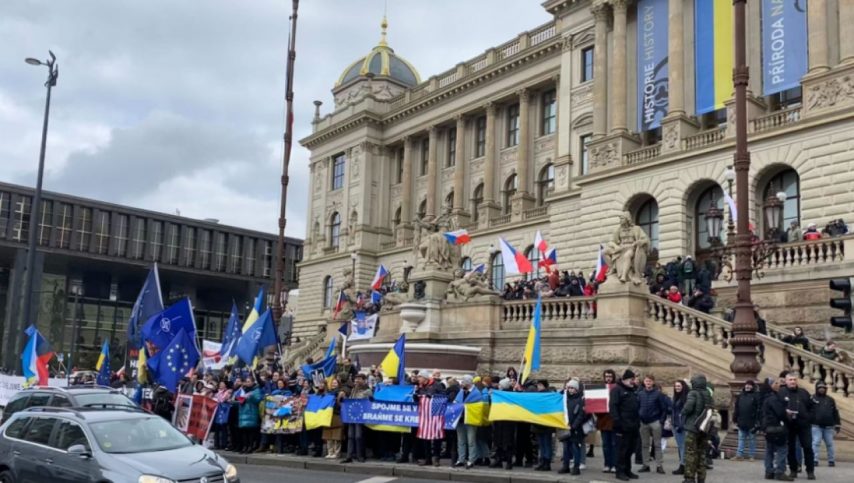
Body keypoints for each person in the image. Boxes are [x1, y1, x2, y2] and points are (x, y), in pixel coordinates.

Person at [778, 373, 816, 480]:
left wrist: (809, 417)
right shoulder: (781, 392)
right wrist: (785, 412)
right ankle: (793, 470)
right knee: (791, 448)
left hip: (804, 424)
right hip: (789, 424)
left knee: (808, 447)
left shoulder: (803, 392)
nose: (793, 382)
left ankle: (810, 471)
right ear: (786, 381)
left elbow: (812, 406)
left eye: (794, 379)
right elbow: (777, 407)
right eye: (790, 380)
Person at [609, 369, 640, 482]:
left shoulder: (633, 390)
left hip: (633, 426)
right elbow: (613, 408)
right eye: (632, 379)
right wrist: (618, 423)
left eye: (634, 379)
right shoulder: (617, 390)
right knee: (621, 450)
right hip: (622, 426)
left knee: (630, 450)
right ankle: (620, 472)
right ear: (625, 379)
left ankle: (627, 470)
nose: (633, 381)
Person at [681, 374, 713, 483]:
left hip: (692, 427)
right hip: (704, 428)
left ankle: (689, 478)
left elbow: (687, 408)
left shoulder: (693, 393)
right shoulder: (708, 394)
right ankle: (701, 478)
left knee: (690, 453)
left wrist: (683, 411)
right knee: (701, 454)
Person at [637, 374, 669, 474]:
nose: (648, 383)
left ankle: (659, 465)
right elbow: (637, 407)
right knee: (644, 445)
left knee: (657, 445)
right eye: (646, 381)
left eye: (650, 381)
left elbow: (664, 409)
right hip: (643, 422)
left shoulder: (658, 394)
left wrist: (661, 421)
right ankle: (646, 465)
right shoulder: (640, 394)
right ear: (644, 382)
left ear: (653, 382)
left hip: (655, 421)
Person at [763, 377, 791, 481]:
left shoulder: (767, 397)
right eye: (777, 383)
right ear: (772, 385)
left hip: (768, 426)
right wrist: (787, 413)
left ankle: (769, 471)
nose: (779, 385)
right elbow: (780, 413)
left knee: (769, 450)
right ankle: (779, 471)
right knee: (782, 449)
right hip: (776, 426)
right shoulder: (774, 398)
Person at [559, 379, 588, 475]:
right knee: (566, 449)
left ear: (576, 389)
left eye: (572, 388)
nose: (570, 390)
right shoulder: (564, 399)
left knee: (576, 448)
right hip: (566, 427)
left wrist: (574, 426)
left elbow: (581, 415)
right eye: (568, 387)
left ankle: (576, 467)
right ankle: (565, 466)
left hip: (575, 429)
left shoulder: (580, 400)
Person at [811, 381, 840, 468]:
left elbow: (835, 412)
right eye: (820, 388)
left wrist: (837, 424)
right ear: (817, 388)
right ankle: (814, 460)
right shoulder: (812, 398)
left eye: (824, 388)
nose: (822, 389)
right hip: (816, 425)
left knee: (830, 444)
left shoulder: (830, 400)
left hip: (828, 426)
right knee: (816, 443)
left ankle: (831, 460)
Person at [344, 373, 373, 463]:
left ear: (363, 380)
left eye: (359, 379)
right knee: (350, 436)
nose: (356, 381)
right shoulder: (353, 390)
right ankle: (349, 456)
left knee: (358, 436)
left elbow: (368, 401)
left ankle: (360, 455)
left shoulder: (368, 390)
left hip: (361, 416)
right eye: (356, 379)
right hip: (352, 416)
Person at [490, 378, 517, 470]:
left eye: (500, 385)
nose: (498, 386)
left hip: (506, 422)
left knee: (506, 442)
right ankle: (500, 460)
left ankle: (508, 461)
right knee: (500, 442)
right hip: (502, 422)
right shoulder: (499, 394)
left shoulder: (507, 394)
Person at [733, 379, 761, 461]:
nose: (748, 386)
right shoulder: (741, 395)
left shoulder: (756, 396)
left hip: (752, 422)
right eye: (747, 385)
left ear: (753, 386)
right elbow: (736, 408)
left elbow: (758, 409)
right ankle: (739, 455)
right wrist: (735, 418)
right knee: (741, 439)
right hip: (741, 421)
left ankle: (751, 455)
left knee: (752, 440)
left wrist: (757, 421)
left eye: (750, 385)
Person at [454, 375, 478, 469]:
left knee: (471, 441)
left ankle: (471, 460)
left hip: (471, 420)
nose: (461, 383)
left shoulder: (476, 393)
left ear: (468, 383)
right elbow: (456, 401)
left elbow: (478, 407)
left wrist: (465, 406)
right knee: (461, 441)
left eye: (463, 382)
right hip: (460, 419)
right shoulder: (461, 391)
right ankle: (461, 459)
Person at [597, 369, 617, 474]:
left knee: (614, 444)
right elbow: (595, 405)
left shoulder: (616, 388)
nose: (608, 378)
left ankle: (614, 465)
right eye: (606, 376)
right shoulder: (600, 389)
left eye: (610, 376)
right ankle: (607, 464)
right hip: (603, 421)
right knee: (605, 445)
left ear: (613, 377)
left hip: (613, 421)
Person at [532, 380, 555, 471]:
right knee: (541, 445)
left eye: (540, 385)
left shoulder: (549, 396)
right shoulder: (537, 395)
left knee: (546, 444)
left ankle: (546, 463)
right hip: (539, 424)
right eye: (538, 385)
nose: (538, 386)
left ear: (545, 386)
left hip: (546, 425)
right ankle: (542, 462)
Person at [237, 377, 263, 454]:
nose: (247, 383)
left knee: (250, 432)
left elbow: (258, 400)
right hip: (243, 412)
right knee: (244, 431)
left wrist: (250, 396)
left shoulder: (256, 390)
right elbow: (237, 399)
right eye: (246, 381)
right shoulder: (243, 390)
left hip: (251, 412)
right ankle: (245, 446)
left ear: (252, 382)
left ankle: (250, 447)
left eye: (249, 381)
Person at [671, 380, 689, 476]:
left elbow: (685, 414)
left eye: (679, 386)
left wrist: (681, 425)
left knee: (683, 447)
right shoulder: (675, 397)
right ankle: (683, 465)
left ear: (683, 386)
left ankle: (683, 466)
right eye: (676, 386)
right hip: (675, 424)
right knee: (681, 447)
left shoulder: (685, 398)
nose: (677, 388)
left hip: (681, 426)